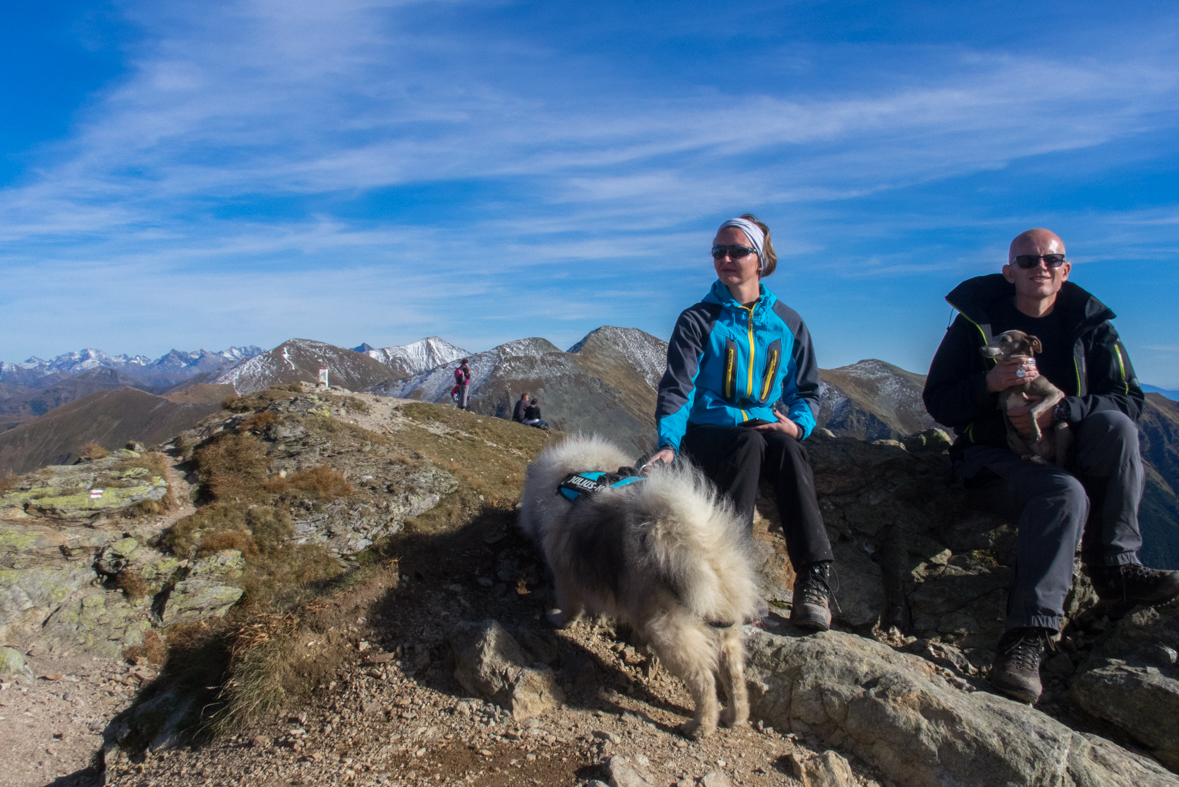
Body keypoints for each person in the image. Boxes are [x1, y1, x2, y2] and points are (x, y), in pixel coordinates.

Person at [923, 227, 1179, 704]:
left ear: (1065, 269)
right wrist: (989, 384)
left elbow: (1129, 402)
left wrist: (1063, 411)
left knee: (1117, 429)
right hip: (993, 461)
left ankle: (1116, 567)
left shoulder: (1092, 326)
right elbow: (939, 402)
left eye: (1050, 259)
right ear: (1009, 271)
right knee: (1063, 492)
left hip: (1071, 450)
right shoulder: (977, 325)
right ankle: (1026, 639)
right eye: (1027, 261)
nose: (1039, 267)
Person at [646, 214, 834, 631]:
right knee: (746, 446)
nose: (725, 258)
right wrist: (668, 444)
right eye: (718, 251)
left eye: (737, 251)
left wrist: (798, 426)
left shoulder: (788, 322)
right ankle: (730, 581)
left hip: (767, 430)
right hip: (710, 433)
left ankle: (814, 579)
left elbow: (806, 390)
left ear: (761, 260)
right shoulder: (697, 319)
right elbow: (679, 389)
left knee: (789, 450)